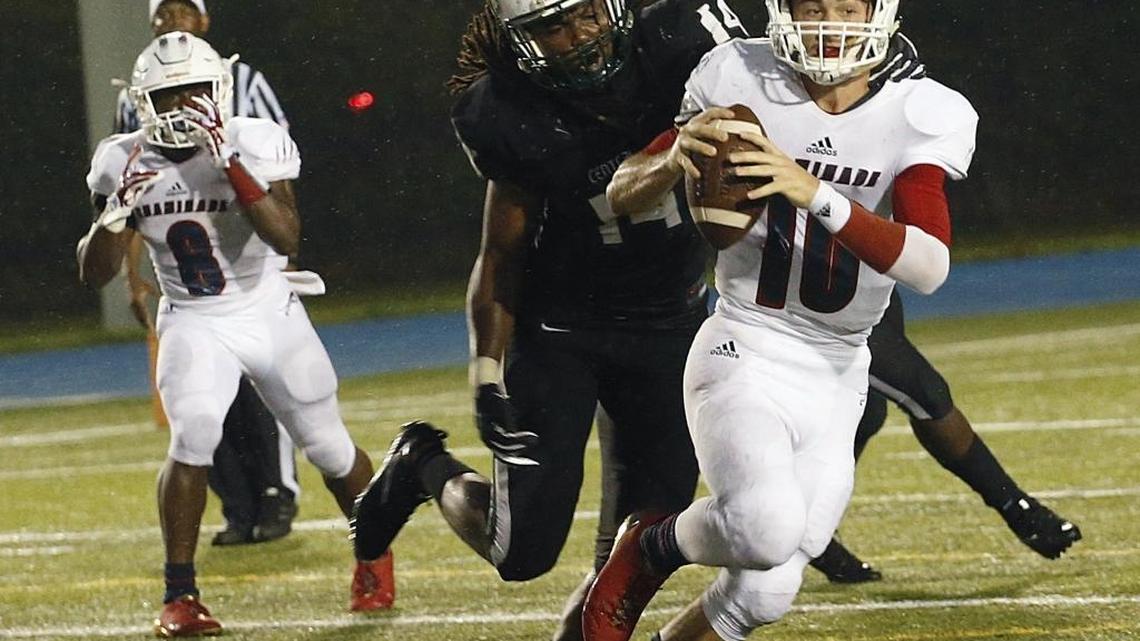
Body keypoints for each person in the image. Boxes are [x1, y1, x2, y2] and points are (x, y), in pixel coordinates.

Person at [581, 1, 981, 639]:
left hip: (839, 370)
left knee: (765, 592)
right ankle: (652, 545)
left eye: (846, 8)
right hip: (747, 344)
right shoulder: (739, 78)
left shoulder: (919, 109)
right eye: (812, 6)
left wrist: (813, 191)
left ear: (878, 14)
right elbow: (619, 195)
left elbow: (928, 267)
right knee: (764, 529)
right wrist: (675, 154)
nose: (828, 24)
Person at [349, 0, 746, 637]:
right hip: (562, 330)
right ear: (522, 41)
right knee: (521, 553)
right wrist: (485, 372)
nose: (579, 36)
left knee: (638, 543)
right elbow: (500, 254)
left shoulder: (681, 45)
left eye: (587, 14)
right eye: (553, 27)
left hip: (671, 322)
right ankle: (422, 463)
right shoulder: (511, 111)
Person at [76, 32, 385, 636]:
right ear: (144, 103)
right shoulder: (120, 158)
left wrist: (231, 165)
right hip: (193, 317)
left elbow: (286, 237)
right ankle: (179, 595)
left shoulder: (253, 140)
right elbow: (94, 273)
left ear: (218, 90)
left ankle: (374, 558)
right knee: (193, 434)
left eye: (194, 90)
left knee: (329, 449)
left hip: (267, 307)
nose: (183, 105)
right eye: (169, 95)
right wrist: (115, 211)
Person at [118, 0, 300, 547]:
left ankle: (276, 492)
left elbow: (278, 167)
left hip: (247, 262)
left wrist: (285, 250)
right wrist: (132, 273)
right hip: (186, 272)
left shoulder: (243, 82)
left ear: (204, 20)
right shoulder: (135, 93)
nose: (173, 21)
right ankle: (237, 506)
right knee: (199, 399)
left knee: (264, 384)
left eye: (184, 10)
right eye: (162, 13)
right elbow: (128, 192)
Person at [811, 288, 1083, 582]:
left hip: (866, 288)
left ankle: (811, 526)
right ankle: (1018, 508)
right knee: (925, 393)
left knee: (867, 412)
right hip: (819, 303)